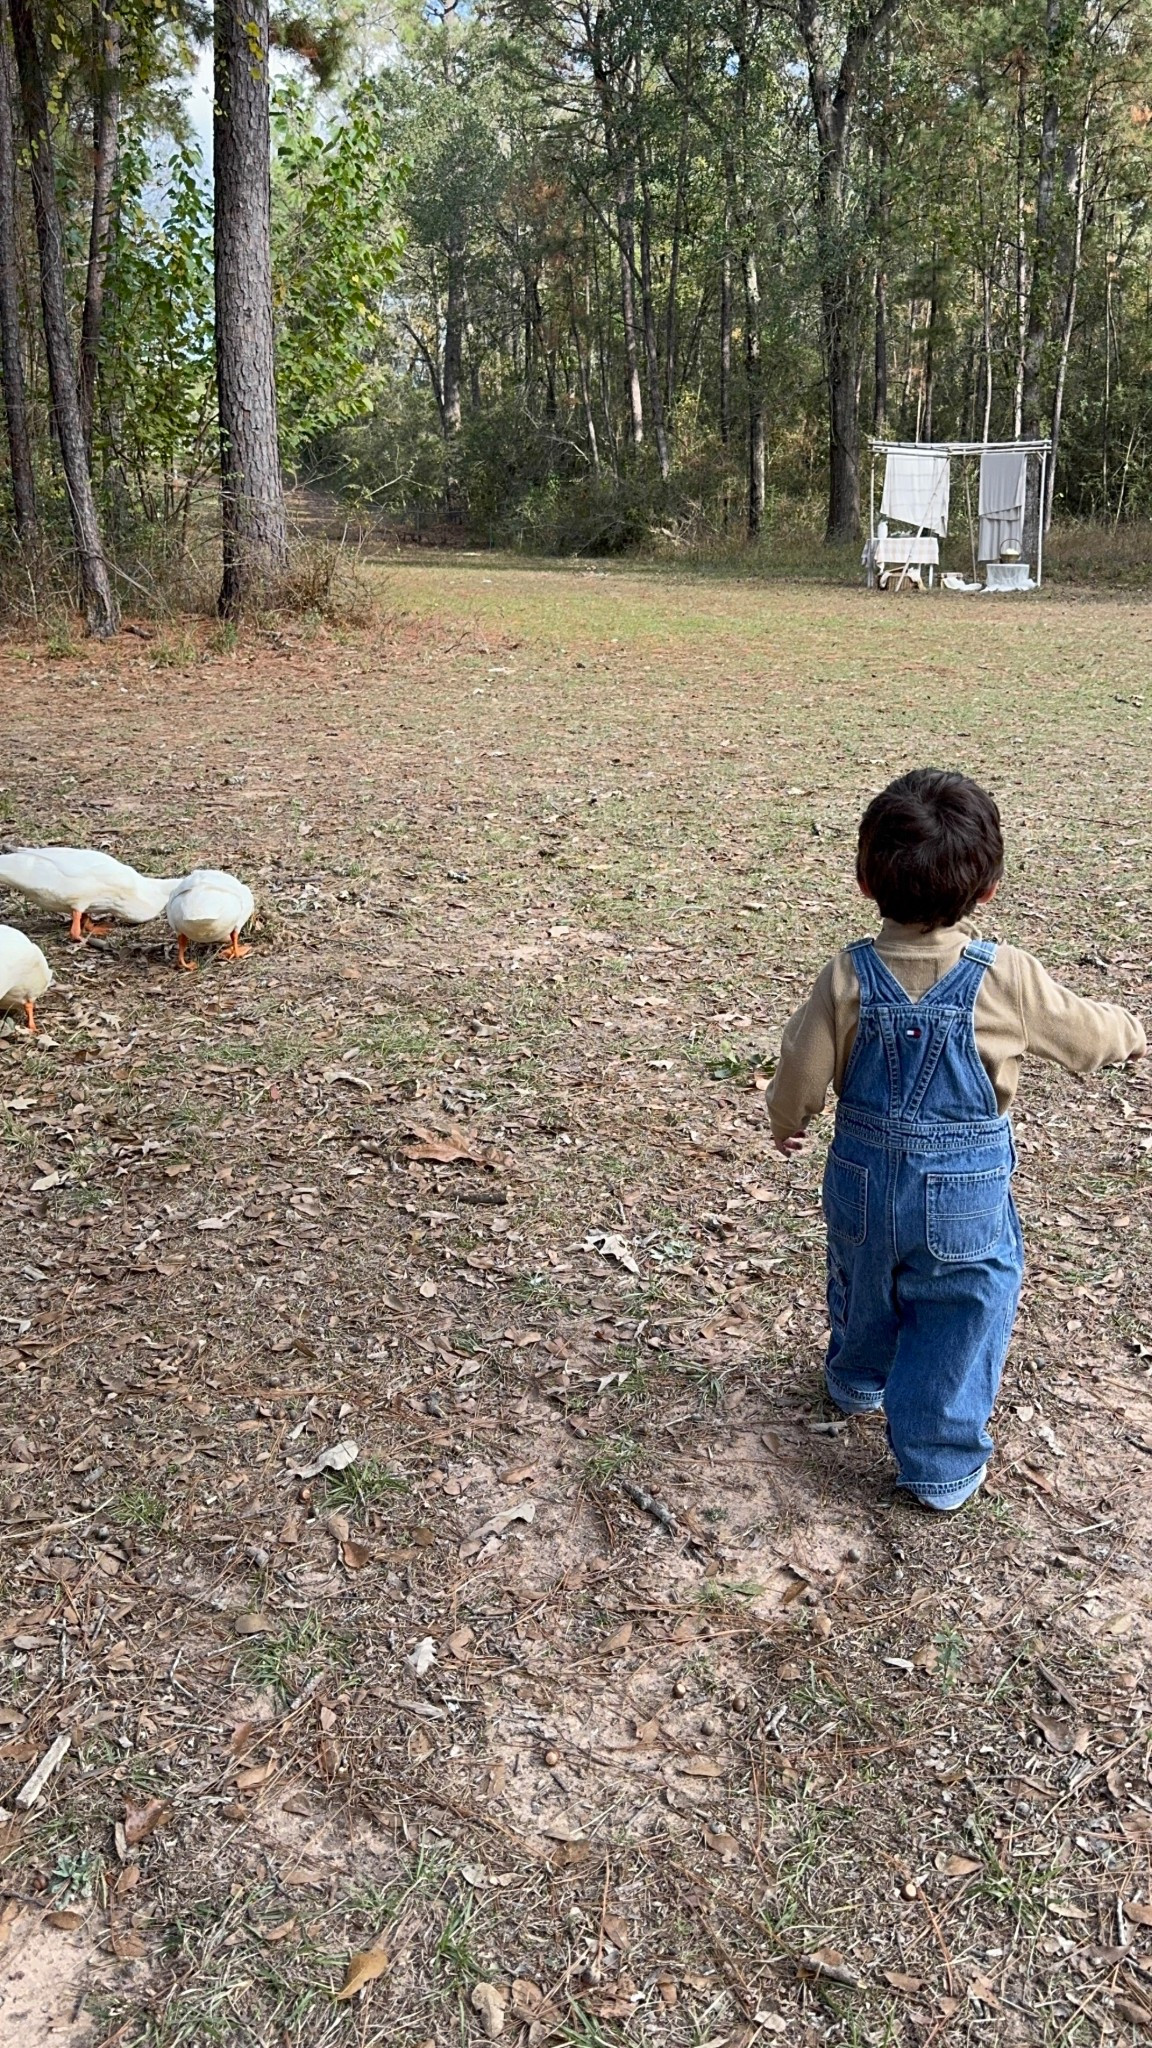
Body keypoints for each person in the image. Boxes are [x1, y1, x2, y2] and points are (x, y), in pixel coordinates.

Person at [767, 769, 1145, 1511]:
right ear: (988, 890)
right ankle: (937, 1466)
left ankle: (854, 1380)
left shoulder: (846, 974)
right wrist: (1130, 1030)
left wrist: (790, 1121)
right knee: (962, 1307)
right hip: (964, 1199)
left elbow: (801, 1067)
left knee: (862, 1280)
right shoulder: (1006, 977)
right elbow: (1086, 1035)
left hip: (862, 1183)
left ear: (864, 881)